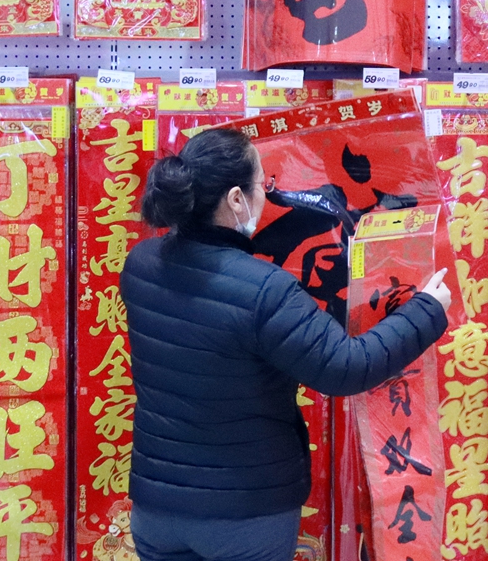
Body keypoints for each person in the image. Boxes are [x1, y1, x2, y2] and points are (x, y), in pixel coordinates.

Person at [120, 127, 452, 561]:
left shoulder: (142, 264)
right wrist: (427, 309)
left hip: (156, 509)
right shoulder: (264, 290)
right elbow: (347, 367)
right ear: (236, 200)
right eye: (265, 184)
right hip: (245, 516)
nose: (269, 195)